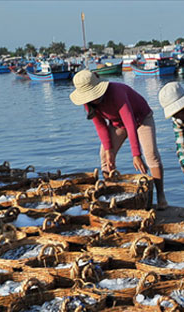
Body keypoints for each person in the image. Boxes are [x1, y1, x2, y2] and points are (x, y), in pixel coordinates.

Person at [69, 70, 167, 209]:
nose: (93, 99)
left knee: (151, 155)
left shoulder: (116, 92)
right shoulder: (88, 103)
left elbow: (130, 123)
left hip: (142, 118)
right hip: (118, 124)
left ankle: (161, 197)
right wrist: (109, 151)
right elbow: (101, 127)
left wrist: (136, 155)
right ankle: (111, 195)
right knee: (104, 155)